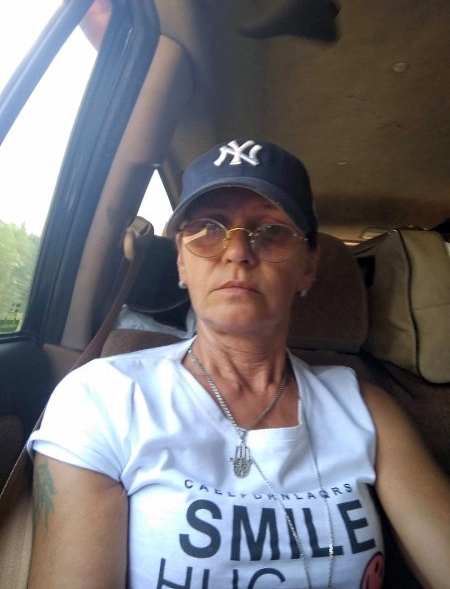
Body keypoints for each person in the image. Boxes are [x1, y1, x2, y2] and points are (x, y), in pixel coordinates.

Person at [27, 139, 450, 589]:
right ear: (181, 262)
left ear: (308, 266)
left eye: (271, 230)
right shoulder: (103, 397)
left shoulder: (366, 408)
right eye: (207, 229)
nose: (237, 252)